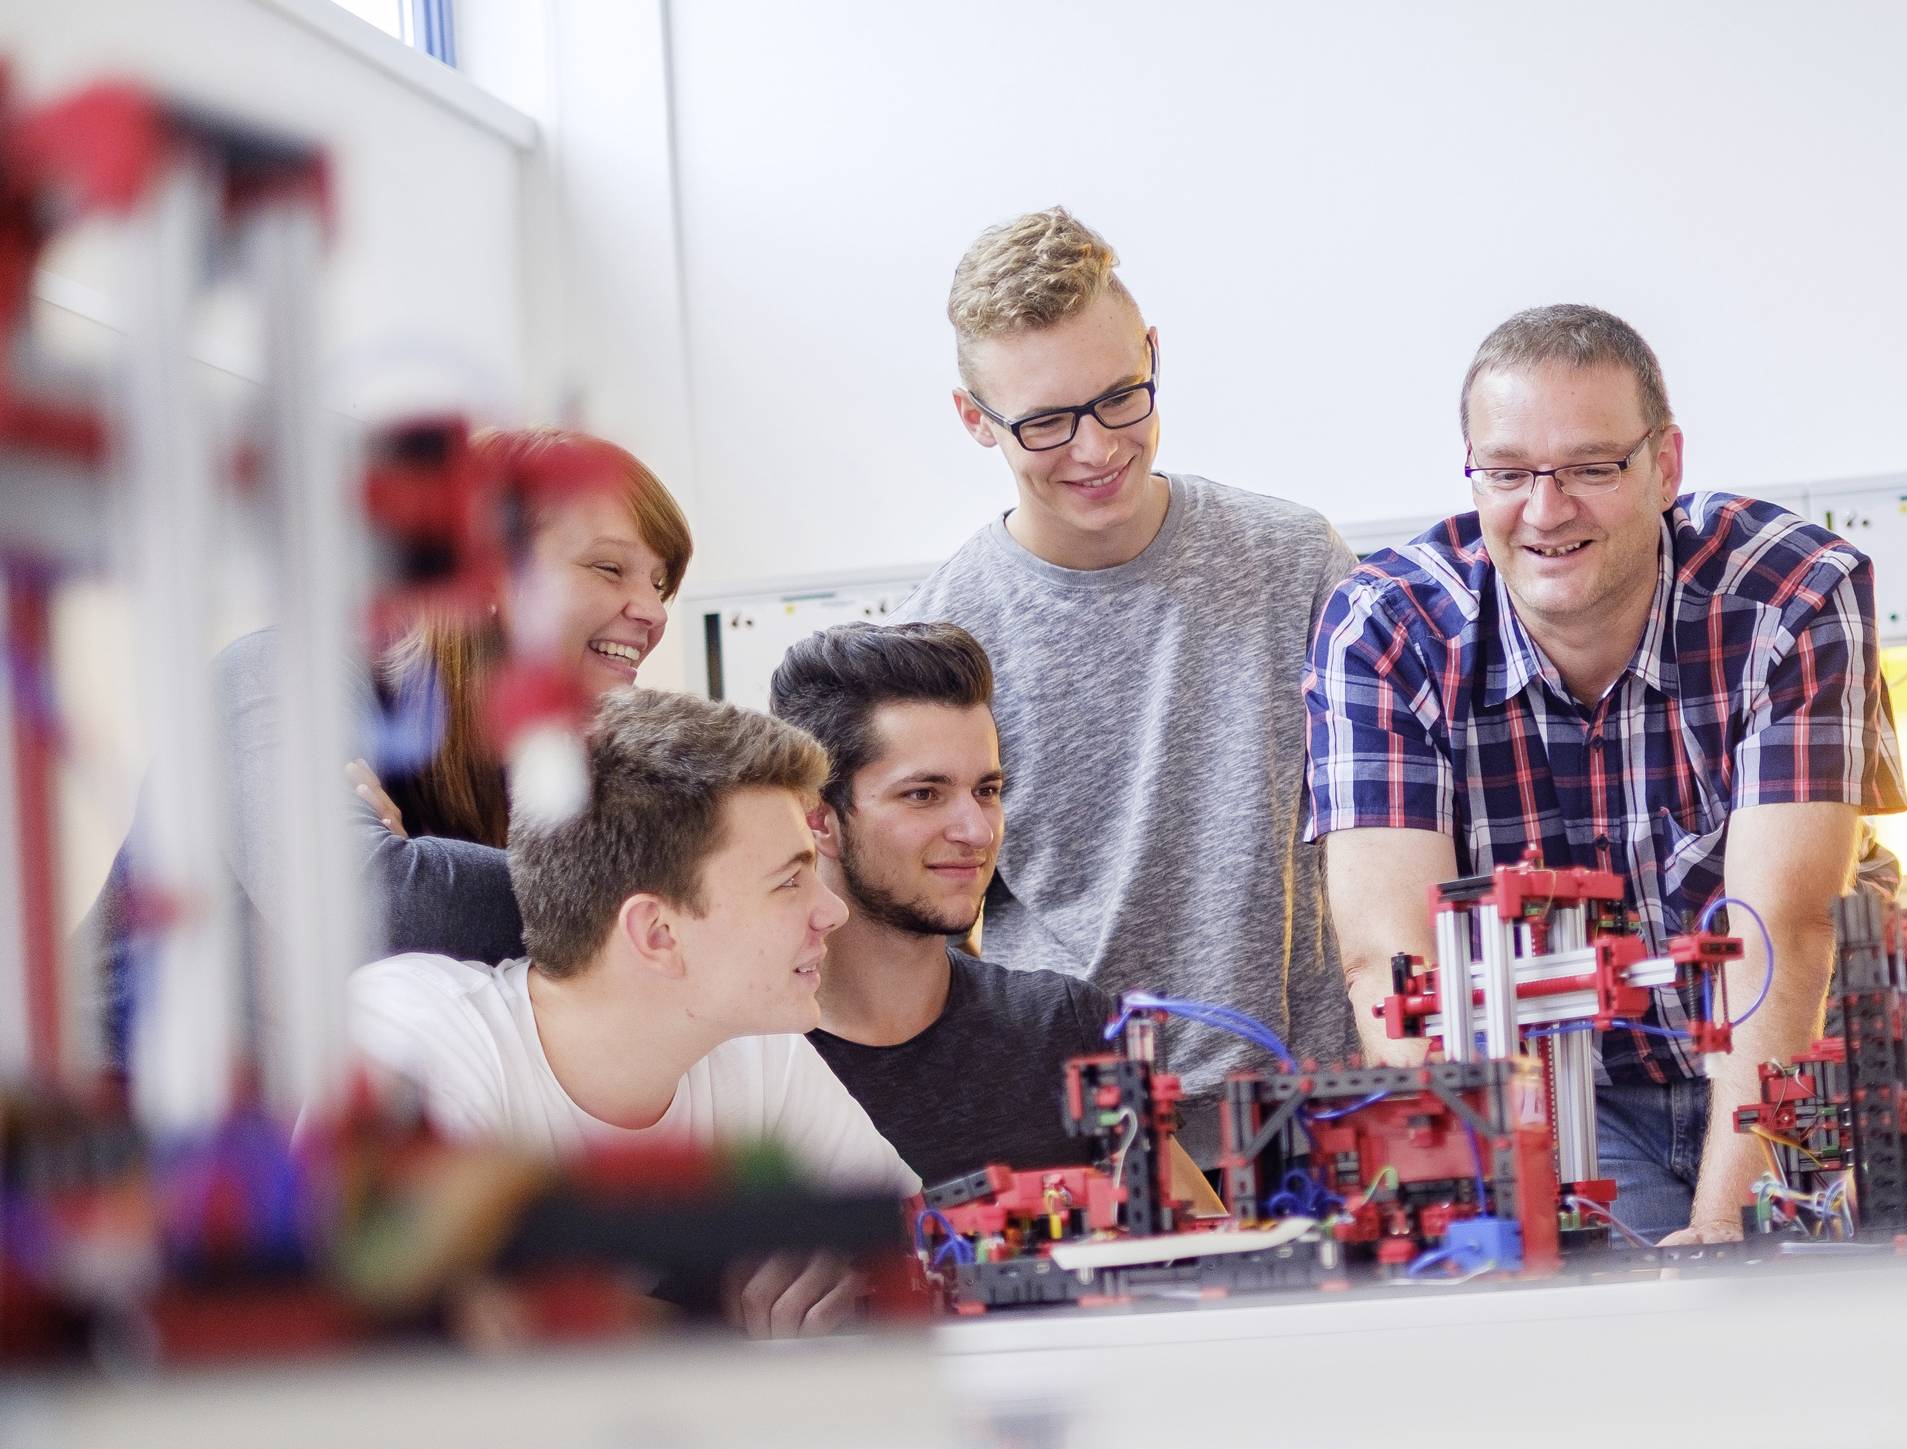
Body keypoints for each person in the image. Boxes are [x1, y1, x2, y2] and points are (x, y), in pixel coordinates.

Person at [1308, 303, 1906, 1244]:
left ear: (1666, 464)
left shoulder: (1791, 596)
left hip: (1792, 1078)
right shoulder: (1386, 632)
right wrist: (1493, 1228)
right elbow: (1396, 968)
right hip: (1578, 1106)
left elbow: (1783, 931)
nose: (1545, 511)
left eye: (1591, 468)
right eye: (1507, 474)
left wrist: (1720, 1231)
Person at [891, 208, 1356, 1153]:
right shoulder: (943, 635)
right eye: (1047, 421)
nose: (1097, 448)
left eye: (1120, 397)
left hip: (1321, 1121)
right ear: (975, 419)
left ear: (1151, 351)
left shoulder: (1297, 562)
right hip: (1083, 1140)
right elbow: (925, 932)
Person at [93, 426, 693, 1045]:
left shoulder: (559, 755)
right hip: (119, 1111)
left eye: (659, 582)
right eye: (609, 567)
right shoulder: (279, 677)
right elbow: (370, 906)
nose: (652, 612)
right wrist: (650, 899)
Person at [345, 688, 914, 1338]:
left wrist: (852, 1282)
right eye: (790, 880)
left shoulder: (757, 1048)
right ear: (658, 933)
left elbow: (916, 1240)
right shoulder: (417, 1035)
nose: (831, 910)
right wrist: (719, 1326)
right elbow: (416, 1338)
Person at [767, 622, 1218, 1205]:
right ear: (820, 818)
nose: (977, 831)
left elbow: (1210, 1253)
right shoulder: (745, 1060)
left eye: (986, 790)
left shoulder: (1065, 1025)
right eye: (923, 794)